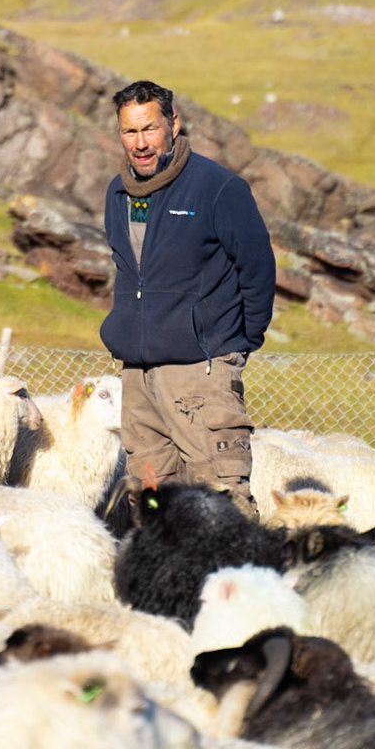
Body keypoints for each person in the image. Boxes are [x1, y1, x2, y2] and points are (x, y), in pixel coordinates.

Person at [99, 79, 275, 517]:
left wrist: (235, 342)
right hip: (138, 377)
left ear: (173, 124)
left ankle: (237, 583)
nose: (140, 143)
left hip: (201, 371)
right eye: (129, 132)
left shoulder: (218, 188)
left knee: (220, 500)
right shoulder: (117, 194)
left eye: (149, 128)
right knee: (152, 501)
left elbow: (258, 268)